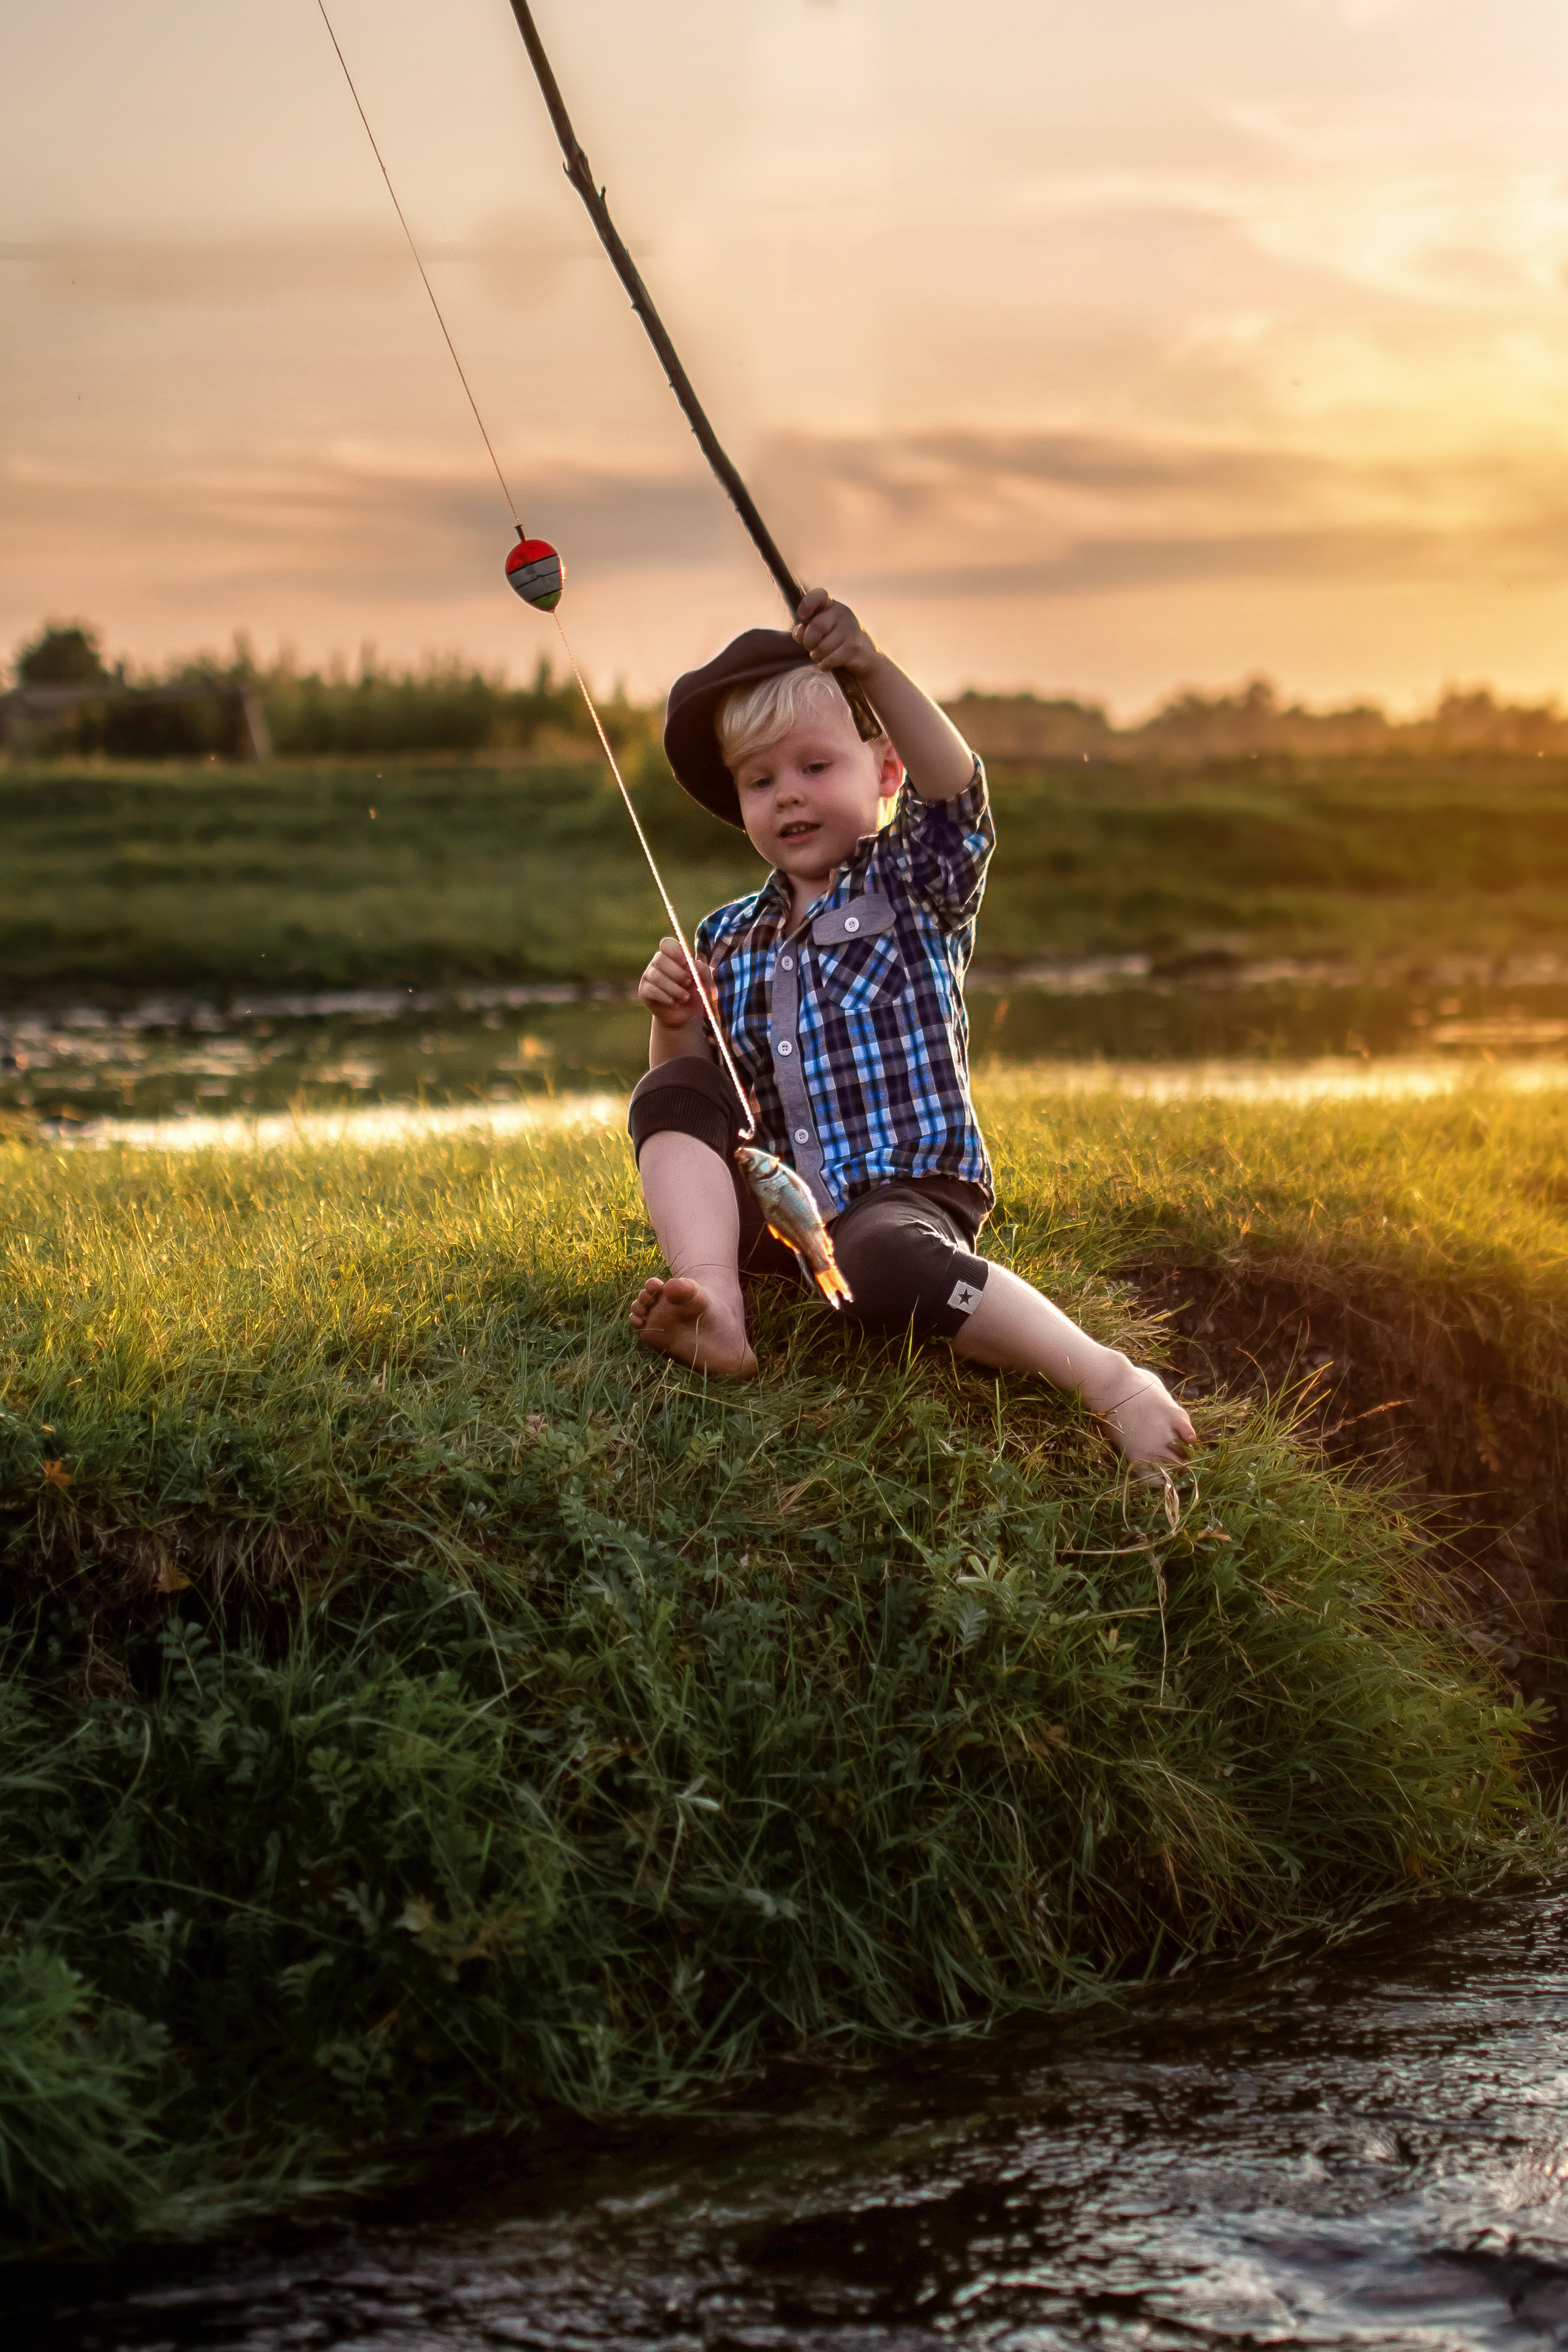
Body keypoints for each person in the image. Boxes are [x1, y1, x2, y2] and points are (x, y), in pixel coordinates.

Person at [626, 589, 1195, 1467]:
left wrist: (873, 667)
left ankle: (1107, 1377)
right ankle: (717, 1306)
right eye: (761, 780)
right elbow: (706, 1102)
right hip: (782, 1215)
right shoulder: (725, 933)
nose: (789, 797)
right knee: (669, 1087)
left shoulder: (913, 884)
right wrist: (674, 1024)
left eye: (816, 766)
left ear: (885, 772)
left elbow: (958, 789)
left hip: (904, 1196)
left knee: (886, 1258)